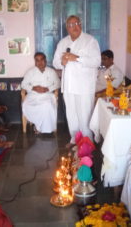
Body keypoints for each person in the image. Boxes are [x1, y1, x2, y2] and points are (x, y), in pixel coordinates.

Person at [53, 15, 101, 143]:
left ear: (81, 24)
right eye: (71, 25)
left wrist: (77, 58)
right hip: (68, 86)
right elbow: (55, 63)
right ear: (67, 28)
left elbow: (96, 61)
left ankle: (87, 143)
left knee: (84, 115)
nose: (75, 27)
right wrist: (62, 62)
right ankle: (74, 139)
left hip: (84, 86)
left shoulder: (90, 41)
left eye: (77, 23)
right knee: (71, 115)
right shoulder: (63, 42)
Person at [22, 52, 60, 134]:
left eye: (42, 60)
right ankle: (38, 125)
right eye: (37, 60)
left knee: (46, 105)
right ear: (35, 62)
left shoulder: (51, 71)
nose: (40, 62)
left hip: (47, 95)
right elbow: (23, 84)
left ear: (45, 61)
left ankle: (43, 128)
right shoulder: (30, 72)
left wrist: (48, 89)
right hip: (33, 95)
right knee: (27, 105)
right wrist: (33, 88)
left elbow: (57, 83)